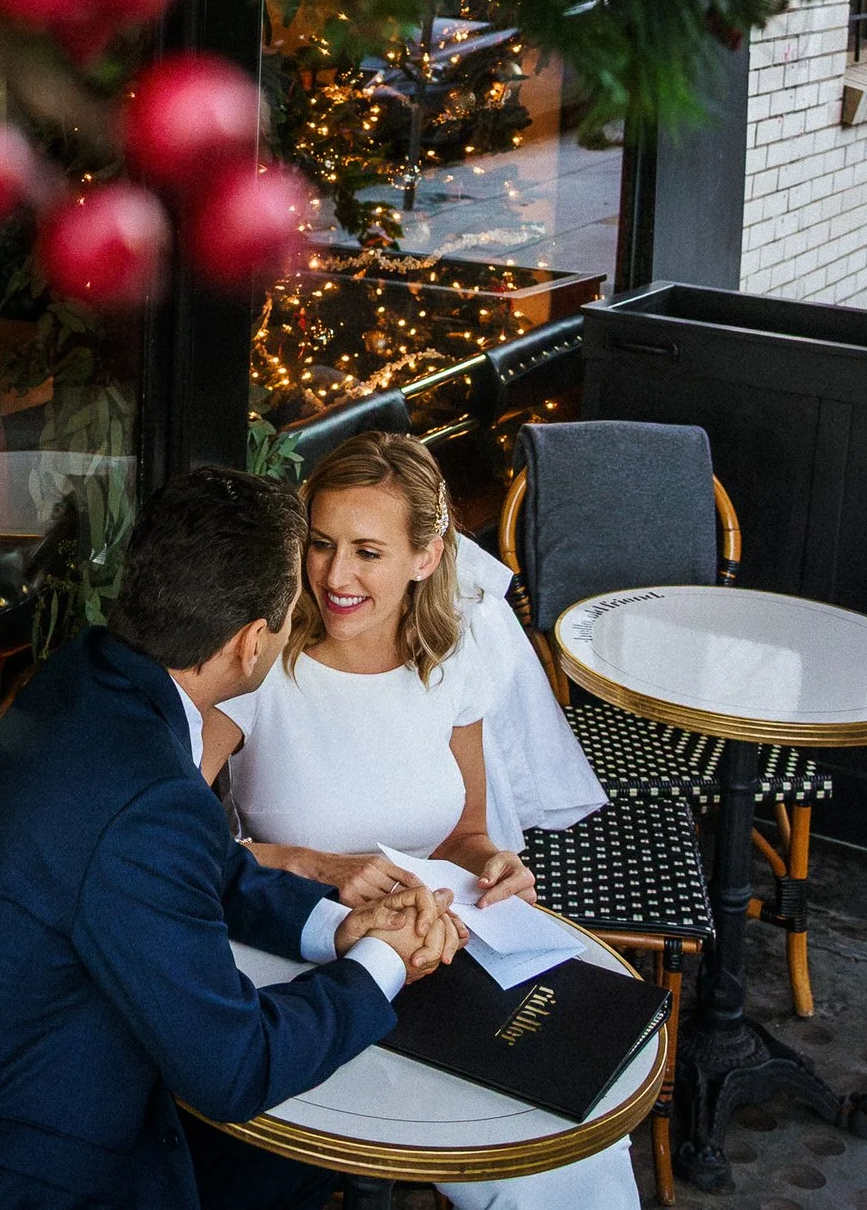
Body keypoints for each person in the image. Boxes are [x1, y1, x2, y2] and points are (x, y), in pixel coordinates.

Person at [0, 466, 462, 1210]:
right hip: (2, 1172)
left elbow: (195, 865)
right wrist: (381, 965)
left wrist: (335, 926)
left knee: (284, 1169)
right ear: (249, 642)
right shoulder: (148, 796)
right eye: (293, 607)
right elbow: (233, 1068)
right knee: (280, 1151)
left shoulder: (82, 677)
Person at [202, 432, 636, 1210]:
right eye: (322, 544)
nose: (336, 576)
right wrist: (308, 863)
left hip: (429, 957)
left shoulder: (450, 654)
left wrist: (492, 861)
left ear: (427, 556)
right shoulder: (261, 660)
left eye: (369, 551)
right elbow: (164, 838)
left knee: (560, 1144)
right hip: (290, 968)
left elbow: (461, 831)